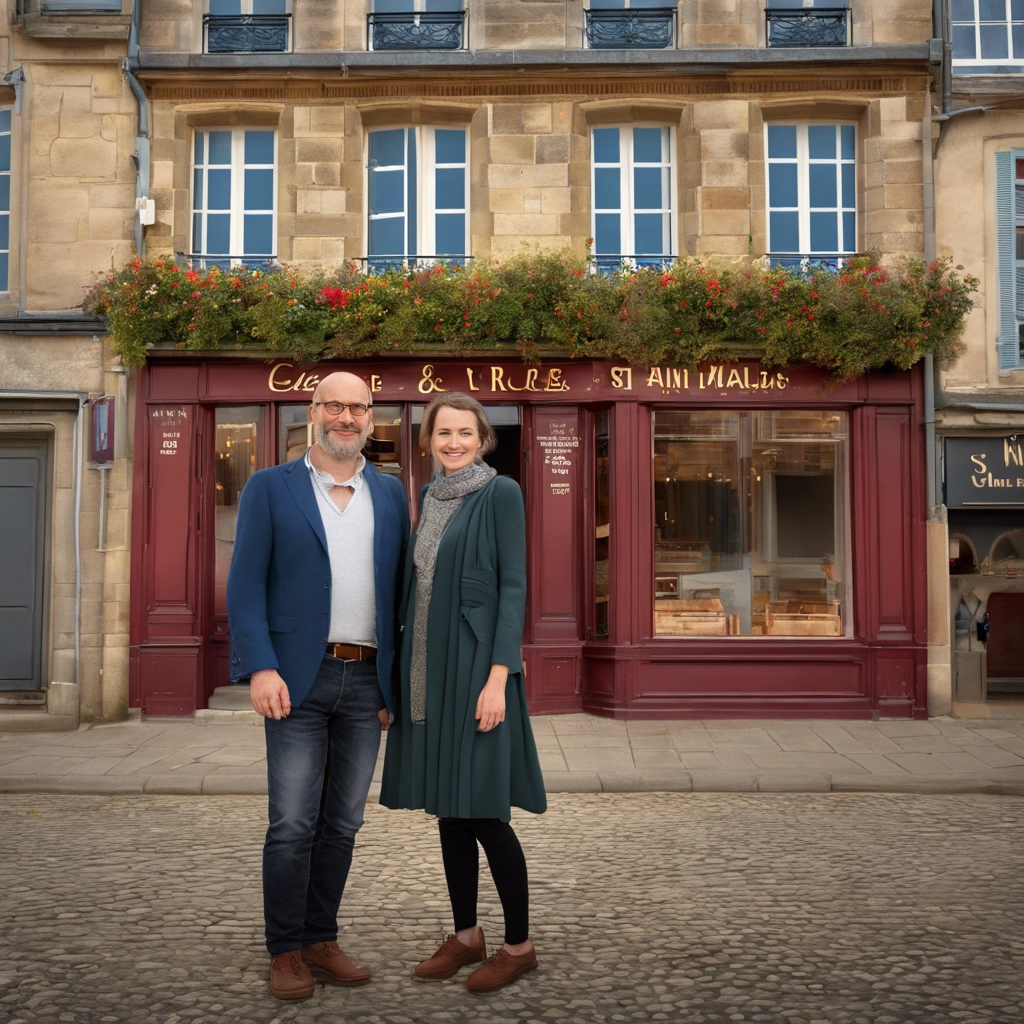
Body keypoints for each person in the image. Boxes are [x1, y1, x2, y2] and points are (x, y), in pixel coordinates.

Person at [227, 371, 408, 1000]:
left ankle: (321, 937)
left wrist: (395, 687)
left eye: (358, 408)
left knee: (344, 822)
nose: (347, 417)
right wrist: (261, 667)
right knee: (292, 823)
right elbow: (245, 584)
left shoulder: (389, 494)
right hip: (296, 681)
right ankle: (285, 950)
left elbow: (401, 597)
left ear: (369, 418)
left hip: (366, 681)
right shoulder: (269, 488)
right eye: (335, 405)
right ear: (314, 411)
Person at [380, 391, 546, 994]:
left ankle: (519, 945)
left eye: (465, 434)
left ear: (483, 440)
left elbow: (512, 588)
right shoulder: (427, 496)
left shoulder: (500, 493)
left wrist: (500, 677)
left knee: (484, 811)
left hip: (477, 672)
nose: (453, 443)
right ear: (429, 441)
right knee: (450, 811)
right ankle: (467, 935)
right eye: (443, 433)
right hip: (429, 670)